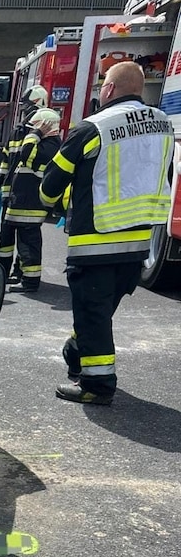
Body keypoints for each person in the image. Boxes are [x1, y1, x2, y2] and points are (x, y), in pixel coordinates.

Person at [40, 61, 173, 405]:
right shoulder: (164, 125)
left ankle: (96, 385)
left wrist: (56, 202)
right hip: (140, 243)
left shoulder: (92, 129)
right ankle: (76, 349)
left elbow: (50, 187)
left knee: (92, 312)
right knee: (97, 312)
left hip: (95, 242)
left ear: (109, 89)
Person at [0, 107, 62, 293]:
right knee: (24, 243)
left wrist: (36, 133)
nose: (31, 131)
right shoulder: (47, 144)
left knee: (29, 244)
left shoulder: (51, 145)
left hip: (30, 205)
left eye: (35, 127)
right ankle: (23, 275)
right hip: (24, 202)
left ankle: (30, 282)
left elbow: (26, 155)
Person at [0, 84, 49, 284]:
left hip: (26, 196)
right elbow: (6, 160)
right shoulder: (19, 131)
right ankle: (5, 273)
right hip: (13, 194)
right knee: (7, 238)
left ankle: (22, 274)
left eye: (29, 106)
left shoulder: (40, 136)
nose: (27, 111)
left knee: (24, 238)